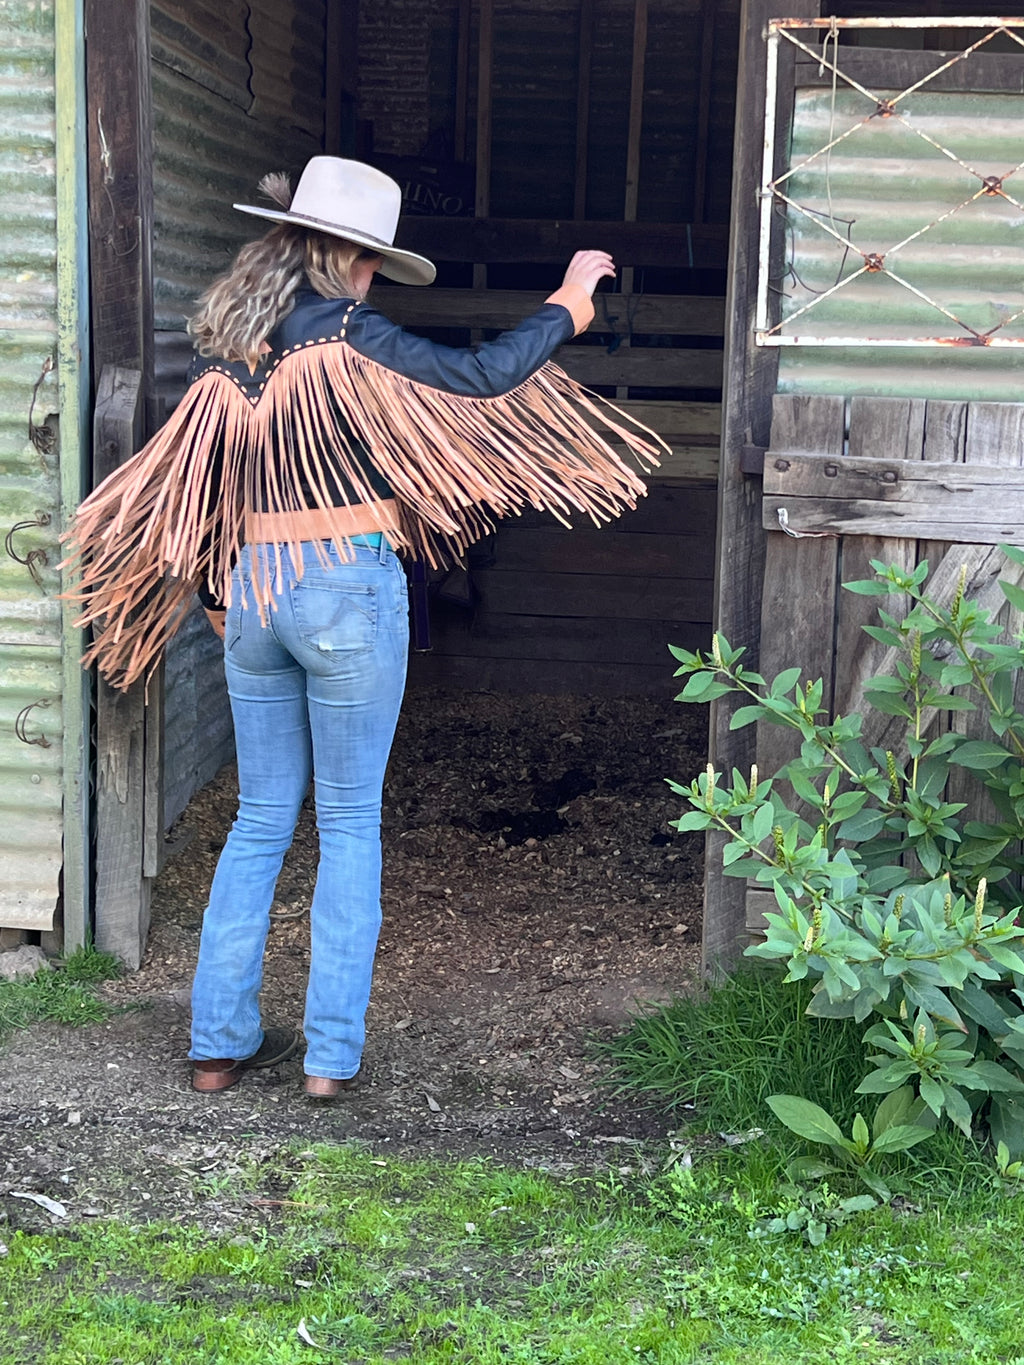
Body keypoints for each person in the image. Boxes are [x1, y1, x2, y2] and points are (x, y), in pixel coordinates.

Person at [63, 157, 664, 1099]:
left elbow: (196, 492)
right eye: (375, 261)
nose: (376, 277)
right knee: (347, 821)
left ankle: (217, 1045)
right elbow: (481, 378)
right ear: (347, 253)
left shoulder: (232, 355)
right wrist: (569, 301)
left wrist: (221, 602)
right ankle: (328, 1060)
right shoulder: (348, 333)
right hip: (344, 584)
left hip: (254, 590)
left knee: (261, 819)